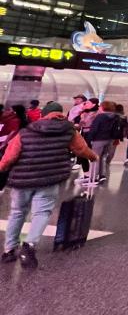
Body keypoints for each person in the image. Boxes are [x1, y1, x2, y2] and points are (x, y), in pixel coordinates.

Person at [0, 102, 98, 268]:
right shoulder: (68, 130)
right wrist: (93, 157)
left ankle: (9, 250)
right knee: (42, 212)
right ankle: (29, 245)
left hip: (22, 178)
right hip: (49, 178)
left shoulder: (27, 130)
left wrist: (2, 168)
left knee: (17, 212)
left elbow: (10, 155)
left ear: (44, 114)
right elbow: (82, 150)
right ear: (60, 114)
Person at [85, 100, 122, 184]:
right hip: (108, 140)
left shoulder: (100, 117)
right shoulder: (115, 116)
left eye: (100, 106)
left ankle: (93, 178)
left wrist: (89, 139)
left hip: (98, 140)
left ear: (103, 107)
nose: (99, 107)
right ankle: (102, 176)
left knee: (95, 158)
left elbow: (94, 129)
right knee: (103, 158)